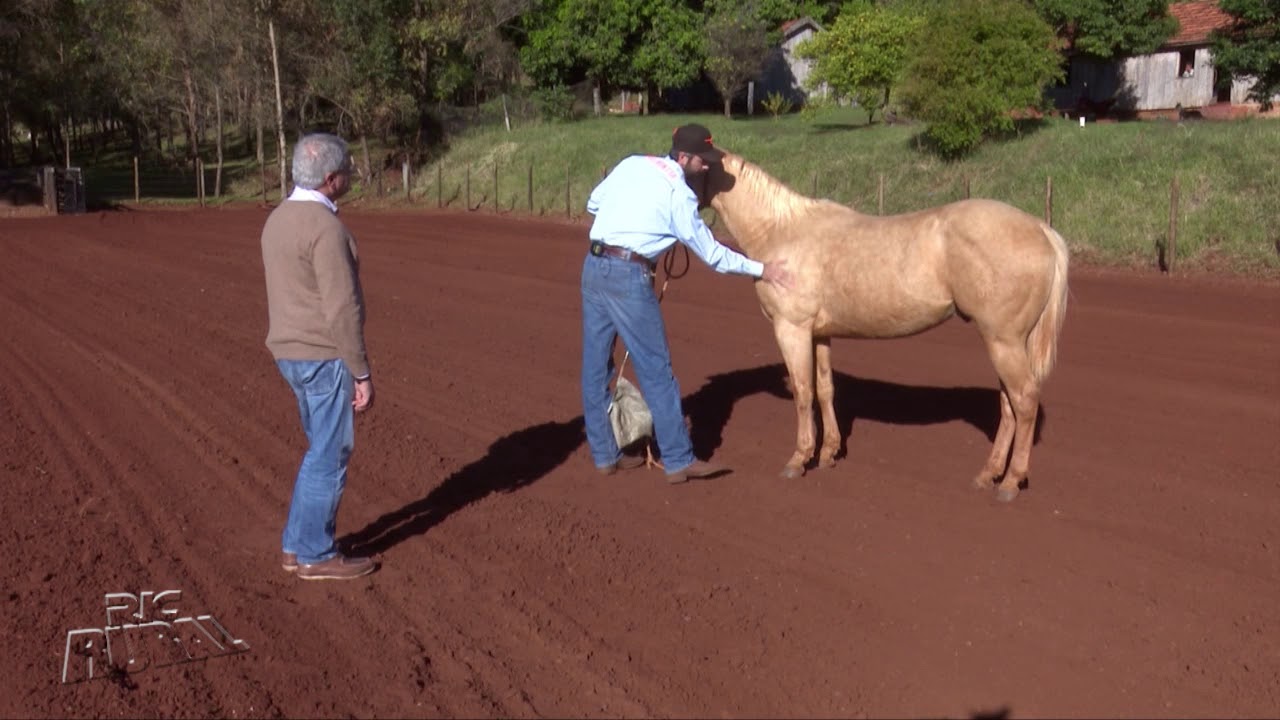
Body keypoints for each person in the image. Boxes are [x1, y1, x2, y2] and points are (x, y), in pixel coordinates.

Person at [581, 123, 791, 484]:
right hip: (629, 277)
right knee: (656, 370)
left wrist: (638, 221)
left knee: (596, 367)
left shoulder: (632, 164)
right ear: (683, 157)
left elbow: (593, 203)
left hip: (594, 267)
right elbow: (713, 256)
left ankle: (605, 455)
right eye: (702, 160)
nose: (707, 166)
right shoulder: (678, 194)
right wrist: (763, 269)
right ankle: (679, 459)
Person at [261, 133, 376, 580]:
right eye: (347, 168)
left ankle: (295, 545)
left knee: (318, 450)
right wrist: (361, 371)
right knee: (330, 454)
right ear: (331, 179)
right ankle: (315, 553)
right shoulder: (325, 229)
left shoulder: (277, 219)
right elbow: (341, 309)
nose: (350, 174)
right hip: (323, 356)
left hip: (289, 352)